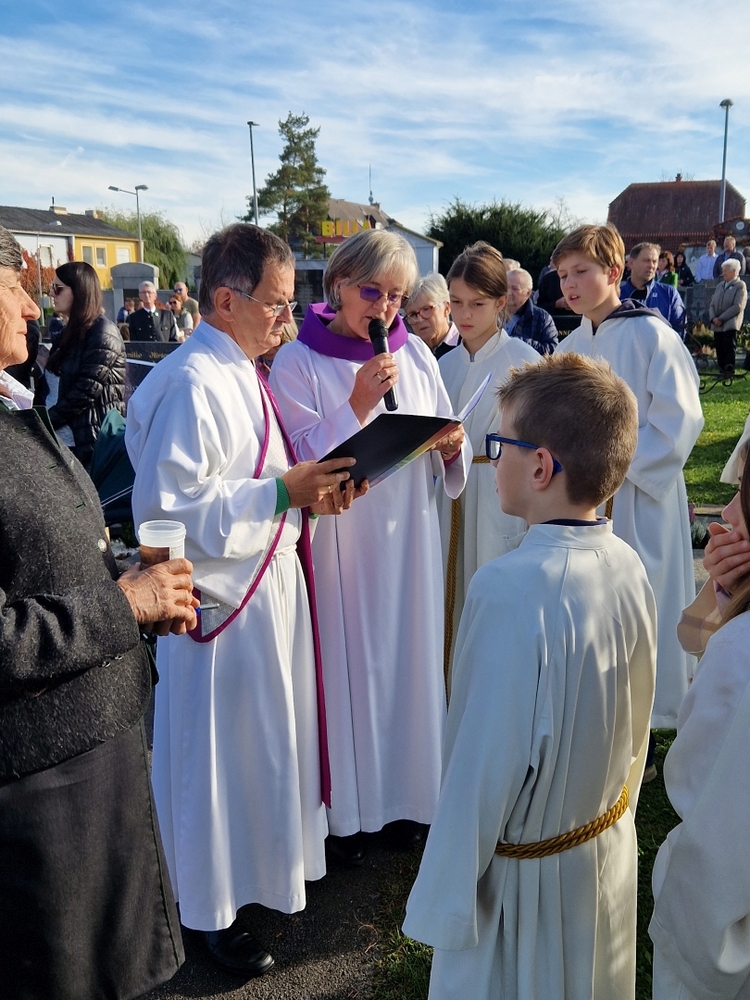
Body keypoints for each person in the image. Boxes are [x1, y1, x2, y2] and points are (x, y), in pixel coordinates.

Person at [126, 222, 363, 978]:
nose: (288, 319)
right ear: (225, 301)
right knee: (216, 763)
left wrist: (308, 499)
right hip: (220, 609)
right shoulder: (193, 382)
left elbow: (261, 479)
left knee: (264, 750)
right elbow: (164, 511)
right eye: (276, 303)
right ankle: (205, 912)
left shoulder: (240, 370)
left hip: (267, 590)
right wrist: (281, 495)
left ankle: (259, 879)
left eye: (291, 303)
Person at [403, 352, 657, 1000]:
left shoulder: (508, 590)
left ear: (540, 466)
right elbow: (637, 723)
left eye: (499, 444)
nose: (491, 460)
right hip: (602, 849)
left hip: (524, 890)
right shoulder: (627, 564)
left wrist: (445, 895)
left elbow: (480, 762)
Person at [0, 225, 197, 1000]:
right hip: (41, 790)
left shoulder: (15, 406)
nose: (32, 307)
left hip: (90, 758)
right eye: (14, 288)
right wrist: (122, 604)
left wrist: (126, 581)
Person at [270, 228, 469, 865]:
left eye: (396, 296)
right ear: (338, 285)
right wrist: (357, 404)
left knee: (410, 662)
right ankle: (353, 817)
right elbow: (296, 462)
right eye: (371, 292)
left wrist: (451, 447)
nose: (384, 308)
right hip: (343, 543)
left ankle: (412, 800)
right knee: (352, 669)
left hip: (409, 537)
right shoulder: (298, 361)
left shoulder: (417, 356)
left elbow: (444, 434)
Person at [555, 224, 703, 737]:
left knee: (645, 602)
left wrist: (608, 459)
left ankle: (649, 723)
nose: (570, 284)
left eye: (581, 271)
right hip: (585, 500)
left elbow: (680, 420)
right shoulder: (570, 346)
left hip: (640, 500)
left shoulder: (653, 336)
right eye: (563, 275)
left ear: (614, 271)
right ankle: (595, 717)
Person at [650, 438, 750, 1000]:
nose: (726, 511)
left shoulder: (740, 656)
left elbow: (709, 809)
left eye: (743, 493)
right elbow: (696, 633)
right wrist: (729, 591)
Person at [438, 243, 539, 673]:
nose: (464, 314)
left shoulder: (524, 363)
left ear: (501, 302)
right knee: (449, 603)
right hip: (448, 498)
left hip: (500, 496)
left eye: (477, 304)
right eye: (456, 302)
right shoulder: (443, 366)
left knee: (496, 601)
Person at [46, 261, 126, 470]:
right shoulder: (66, 332)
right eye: (51, 287)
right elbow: (49, 384)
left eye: (57, 288)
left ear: (79, 291)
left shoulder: (103, 331)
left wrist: (44, 421)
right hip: (59, 441)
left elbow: (85, 390)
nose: (51, 293)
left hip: (88, 445)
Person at [620, 242, 686, 337]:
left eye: (654, 261)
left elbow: (679, 331)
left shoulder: (669, 294)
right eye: (646, 261)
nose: (651, 265)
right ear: (631, 263)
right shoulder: (617, 295)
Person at [404, 272, 460, 358]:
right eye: (413, 314)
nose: (419, 319)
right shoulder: (409, 353)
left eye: (426, 309)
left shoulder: (467, 344)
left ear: (446, 308)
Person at [504, 267, 558, 354]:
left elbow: (552, 349)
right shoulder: (492, 313)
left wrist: (517, 342)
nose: (509, 292)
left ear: (528, 293)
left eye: (515, 288)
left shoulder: (542, 318)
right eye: (506, 287)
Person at [709, 258, 748, 374]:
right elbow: (712, 304)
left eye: (725, 270)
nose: (723, 273)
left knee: (729, 347)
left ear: (734, 271)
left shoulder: (740, 286)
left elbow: (738, 306)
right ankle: (721, 371)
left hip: (730, 323)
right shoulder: (720, 285)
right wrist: (713, 318)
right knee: (719, 348)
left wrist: (721, 318)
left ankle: (729, 372)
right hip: (717, 324)